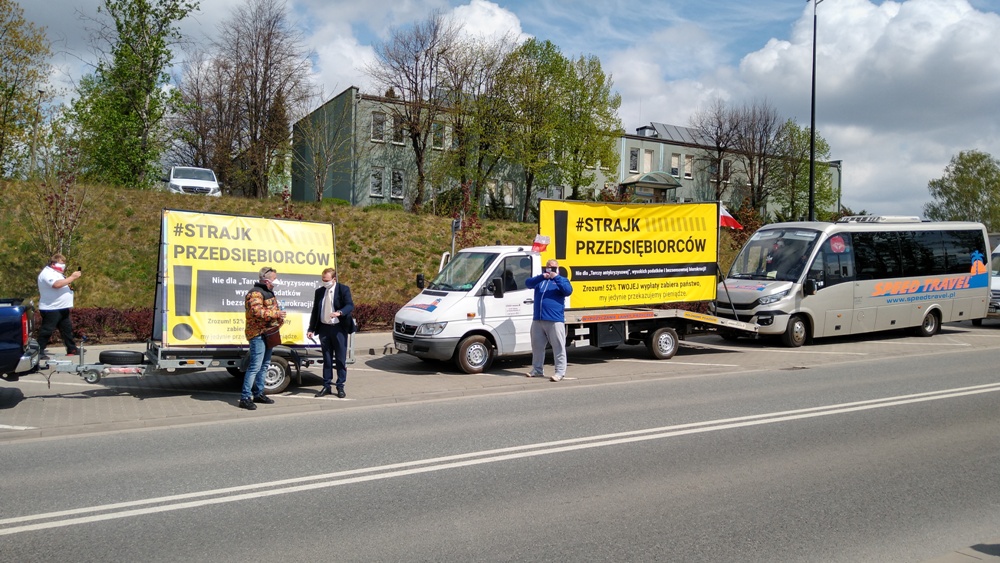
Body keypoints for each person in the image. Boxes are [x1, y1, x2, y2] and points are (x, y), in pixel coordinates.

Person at [240, 266, 286, 410]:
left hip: (268, 333)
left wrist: (278, 317)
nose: (276, 281)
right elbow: (256, 311)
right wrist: (276, 314)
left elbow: (271, 309)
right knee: (255, 366)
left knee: (265, 365)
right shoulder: (255, 293)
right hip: (258, 334)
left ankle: (258, 393)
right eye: (274, 279)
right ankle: (245, 397)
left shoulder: (268, 292)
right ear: (266, 280)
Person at [307, 268, 354, 398]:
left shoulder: (343, 289)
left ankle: (340, 386)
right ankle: (326, 385)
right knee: (327, 359)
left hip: (339, 328)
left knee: (340, 359)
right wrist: (311, 329)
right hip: (324, 329)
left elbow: (350, 305)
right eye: (323, 280)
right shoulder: (319, 292)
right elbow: (315, 311)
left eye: (327, 280)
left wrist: (340, 312)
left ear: (334, 279)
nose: (324, 282)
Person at [524, 258, 573, 381]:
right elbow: (528, 283)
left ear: (557, 268)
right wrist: (542, 276)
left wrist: (556, 277)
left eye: (553, 267)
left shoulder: (561, 280)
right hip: (538, 320)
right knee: (537, 346)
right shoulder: (541, 281)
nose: (550, 269)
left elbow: (568, 291)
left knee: (558, 347)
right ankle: (537, 369)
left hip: (555, 320)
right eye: (548, 267)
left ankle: (560, 372)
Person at [36, 253, 82, 360]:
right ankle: (38, 351)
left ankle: (71, 348)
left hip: (62, 307)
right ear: (53, 264)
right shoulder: (47, 273)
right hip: (51, 308)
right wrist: (72, 277)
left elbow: (62, 283)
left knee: (67, 329)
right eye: (61, 263)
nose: (63, 266)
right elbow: (56, 285)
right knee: (47, 330)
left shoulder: (57, 273)